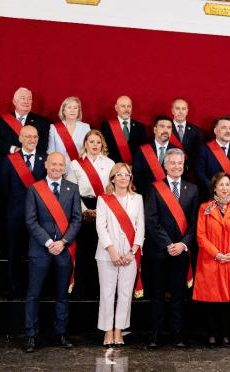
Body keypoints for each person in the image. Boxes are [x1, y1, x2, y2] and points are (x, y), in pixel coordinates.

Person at [23, 151, 82, 353]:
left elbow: (77, 219)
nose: (57, 168)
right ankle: (31, 335)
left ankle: (61, 333)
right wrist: (49, 242)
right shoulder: (34, 189)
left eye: (61, 165)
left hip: (64, 250)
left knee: (62, 295)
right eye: (54, 164)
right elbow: (31, 221)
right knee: (33, 294)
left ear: (64, 168)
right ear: (46, 165)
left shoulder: (72, 188)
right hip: (40, 249)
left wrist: (63, 242)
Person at [143, 149, 199, 348]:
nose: (177, 166)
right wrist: (168, 244)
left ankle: (177, 334)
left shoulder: (192, 189)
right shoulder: (154, 188)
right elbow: (151, 220)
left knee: (178, 295)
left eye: (180, 163)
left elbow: (195, 222)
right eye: (172, 163)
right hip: (159, 251)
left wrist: (183, 244)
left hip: (181, 251)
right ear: (165, 166)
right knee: (157, 295)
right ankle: (155, 334)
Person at [0, 87, 49, 258]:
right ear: (14, 101)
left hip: (33, 172)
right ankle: (3, 246)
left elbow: (43, 145)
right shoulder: (3, 120)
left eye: (29, 98)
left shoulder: (41, 121)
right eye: (22, 98)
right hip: (6, 172)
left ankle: (30, 248)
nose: (26, 101)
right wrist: (13, 149)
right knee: (4, 208)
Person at [193, 172, 230, 347]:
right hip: (211, 260)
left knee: (228, 301)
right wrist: (216, 253)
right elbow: (201, 236)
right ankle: (211, 334)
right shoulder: (205, 208)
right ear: (214, 188)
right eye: (221, 185)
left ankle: (225, 335)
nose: (225, 188)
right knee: (211, 300)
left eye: (227, 185)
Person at [95, 163, 144, 347]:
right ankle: (107, 330)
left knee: (125, 294)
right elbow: (101, 227)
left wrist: (132, 252)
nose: (123, 178)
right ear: (113, 178)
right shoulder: (104, 199)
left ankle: (119, 330)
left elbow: (141, 227)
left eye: (127, 174)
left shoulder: (137, 199)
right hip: (107, 255)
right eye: (119, 174)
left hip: (130, 255)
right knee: (107, 293)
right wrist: (113, 251)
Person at [0, 125, 46, 299]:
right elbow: (3, 188)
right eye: (28, 136)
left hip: (40, 216)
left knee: (37, 253)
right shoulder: (9, 160)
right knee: (14, 252)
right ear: (20, 138)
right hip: (15, 214)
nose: (32, 140)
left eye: (35, 136)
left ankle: (34, 287)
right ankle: (13, 286)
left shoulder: (45, 159)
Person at [69, 130, 114, 297]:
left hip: (104, 207)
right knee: (84, 251)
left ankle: (99, 289)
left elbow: (112, 190)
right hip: (83, 208)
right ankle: (81, 288)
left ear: (102, 145)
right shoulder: (75, 164)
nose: (95, 145)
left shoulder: (110, 163)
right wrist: (85, 211)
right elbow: (72, 192)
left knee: (102, 250)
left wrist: (101, 211)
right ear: (85, 144)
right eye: (91, 142)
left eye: (98, 142)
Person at [196, 116, 230, 201]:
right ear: (215, 131)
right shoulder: (204, 149)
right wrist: (215, 193)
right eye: (224, 128)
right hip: (210, 198)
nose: (228, 131)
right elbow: (200, 174)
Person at [132, 116, 179, 194]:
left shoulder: (177, 152)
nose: (165, 130)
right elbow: (137, 176)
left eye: (168, 127)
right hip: (147, 195)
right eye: (162, 126)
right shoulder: (142, 150)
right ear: (155, 130)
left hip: (170, 197)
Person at [47, 96, 91, 179]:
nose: (72, 110)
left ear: (79, 111)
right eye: (69, 107)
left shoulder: (86, 127)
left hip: (79, 169)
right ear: (63, 111)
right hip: (59, 169)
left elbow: (88, 151)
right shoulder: (54, 127)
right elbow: (51, 151)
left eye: (75, 108)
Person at [99, 95, 146, 165]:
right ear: (116, 108)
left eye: (129, 106)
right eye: (123, 106)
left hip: (134, 169)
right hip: (113, 167)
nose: (126, 109)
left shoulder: (140, 127)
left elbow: (143, 152)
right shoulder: (106, 126)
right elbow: (103, 149)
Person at [170, 98, 203, 165]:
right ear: (172, 111)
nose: (180, 112)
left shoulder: (196, 131)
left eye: (183, 109)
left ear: (187, 111)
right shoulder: (166, 129)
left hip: (190, 169)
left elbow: (198, 153)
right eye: (177, 108)